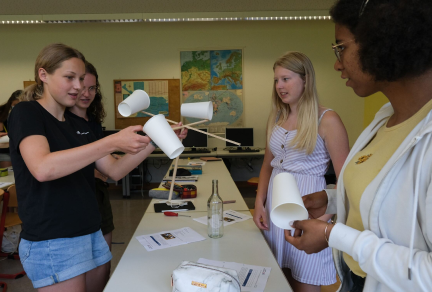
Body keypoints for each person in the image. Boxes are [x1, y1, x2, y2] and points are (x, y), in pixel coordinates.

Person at [9, 43, 186, 292]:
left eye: (81, 79)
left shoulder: (76, 122)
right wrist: (111, 141)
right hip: (54, 239)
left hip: (89, 230)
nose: (79, 87)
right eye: (69, 77)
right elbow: (43, 168)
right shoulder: (27, 113)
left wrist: (157, 140)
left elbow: (114, 171)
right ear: (43, 75)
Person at [285, 0, 432, 291]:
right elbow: (388, 199)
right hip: (358, 280)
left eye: (341, 47)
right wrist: (331, 200)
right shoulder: (386, 117)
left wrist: (332, 235)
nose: (338, 63)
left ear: (383, 40)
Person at [253, 51, 349, 292]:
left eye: (286, 79)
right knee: (278, 276)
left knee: (305, 279)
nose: (279, 86)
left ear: (305, 80)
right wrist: (259, 203)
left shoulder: (327, 120)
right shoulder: (276, 116)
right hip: (276, 206)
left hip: (309, 209)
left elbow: (346, 179)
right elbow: (267, 164)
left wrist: (322, 222)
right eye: (276, 80)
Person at [68, 60, 114, 286]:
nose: (86, 93)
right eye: (82, 87)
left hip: (99, 195)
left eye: (92, 88)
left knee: (103, 263)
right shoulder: (62, 121)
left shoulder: (93, 124)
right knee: (82, 265)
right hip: (76, 202)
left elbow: (111, 170)